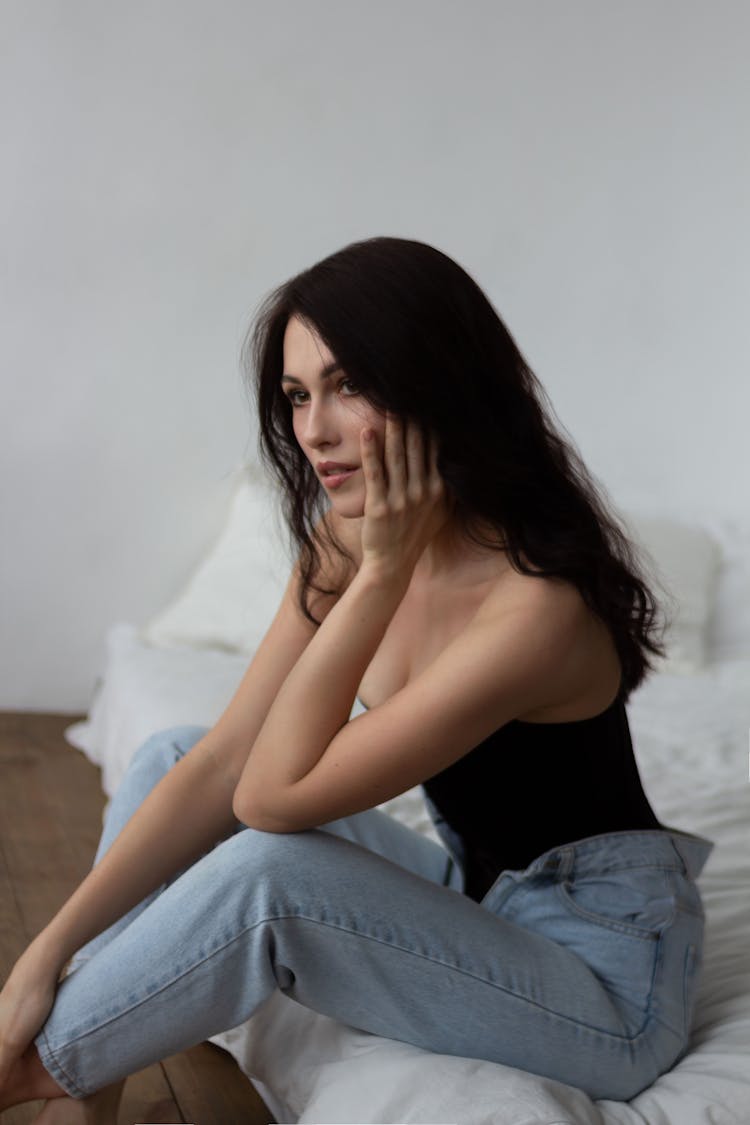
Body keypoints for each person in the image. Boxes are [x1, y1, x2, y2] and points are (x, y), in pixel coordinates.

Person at [0, 236, 712, 1123]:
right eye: (298, 394)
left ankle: (35, 1068)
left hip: (605, 986)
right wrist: (47, 951)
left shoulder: (538, 610)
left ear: (440, 385)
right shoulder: (345, 539)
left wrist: (378, 578)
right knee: (173, 751)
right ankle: (86, 1071)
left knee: (273, 870)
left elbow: (270, 797)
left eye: (348, 385)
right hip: (482, 897)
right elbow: (227, 761)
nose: (314, 430)